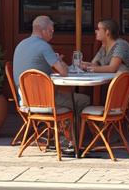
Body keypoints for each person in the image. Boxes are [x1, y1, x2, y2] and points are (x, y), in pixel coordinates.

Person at [13, 15, 89, 143]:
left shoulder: (20, 45)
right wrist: (59, 60)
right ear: (43, 31)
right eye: (51, 30)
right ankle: (71, 140)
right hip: (45, 101)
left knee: (67, 99)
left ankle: (62, 135)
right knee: (82, 100)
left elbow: (37, 68)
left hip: (25, 100)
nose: (52, 33)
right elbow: (64, 72)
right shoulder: (44, 47)